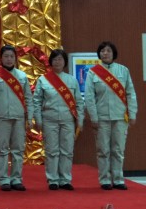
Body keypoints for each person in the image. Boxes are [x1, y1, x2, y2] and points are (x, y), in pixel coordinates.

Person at [84, 41, 137, 190]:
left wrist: (132, 113)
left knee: (118, 150)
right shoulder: (93, 72)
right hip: (101, 118)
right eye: (102, 51)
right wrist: (93, 117)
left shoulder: (123, 70)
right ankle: (105, 180)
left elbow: (130, 93)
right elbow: (89, 96)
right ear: (99, 54)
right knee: (103, 151)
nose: (105, 53)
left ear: (114, 53)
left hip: (120, 117)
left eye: (108, 51)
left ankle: (118, 179)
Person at [33, 49, 84, 191]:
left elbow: (79, 102)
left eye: (60, 59)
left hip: (68, 120)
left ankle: (65, 179)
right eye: (55, 59)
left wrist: (80, 120)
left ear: (65, 62)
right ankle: (53, 180)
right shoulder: (43, 80)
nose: (57, 62)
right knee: (52, 151)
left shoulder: (72, 80)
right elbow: (36, 101)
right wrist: (38, 120)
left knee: (67, 150)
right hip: (49, 119)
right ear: (51, 61)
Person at [0, 45, 33, 191]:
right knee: (1, 150)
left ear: (15, 58)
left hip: (19, 117)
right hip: (1, 117)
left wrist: (30, 117)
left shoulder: (22, 76)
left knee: (18, 150)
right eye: (6, 56)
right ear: (0, 58)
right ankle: (3, 179)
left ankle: (16, 179)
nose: (9, 59)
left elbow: (28, 98)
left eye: (11, 56)